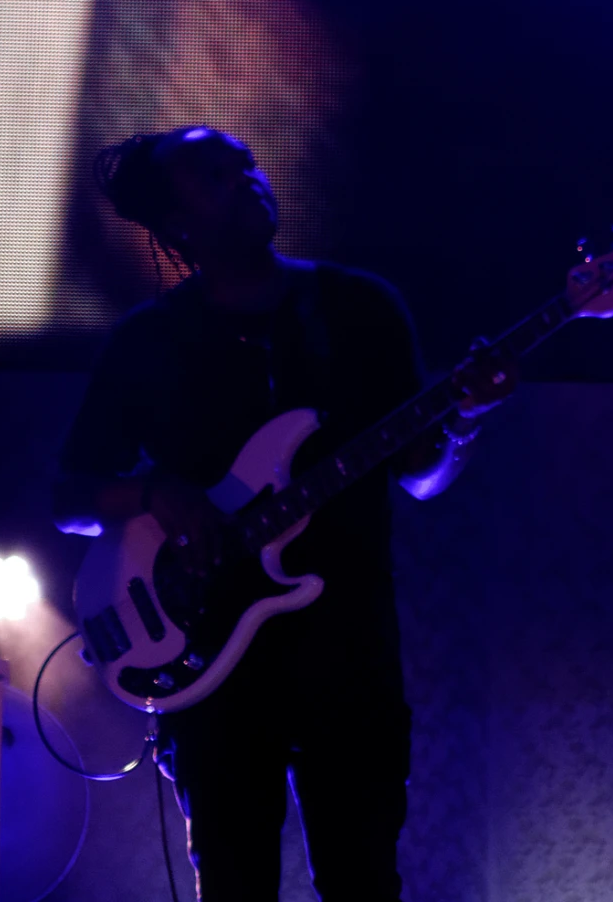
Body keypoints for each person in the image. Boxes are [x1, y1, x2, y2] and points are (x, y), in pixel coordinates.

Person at [54, 126, 510, 901]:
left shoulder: (359, 309)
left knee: (364, 883)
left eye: (246, 162)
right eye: (214, 173)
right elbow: (71, 499)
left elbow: (419, 475)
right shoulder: (149, 341)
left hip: (350, 657)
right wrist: (159, 492)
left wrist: (462, 418)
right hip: (211, 678)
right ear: (176, 225)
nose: (247, 175)